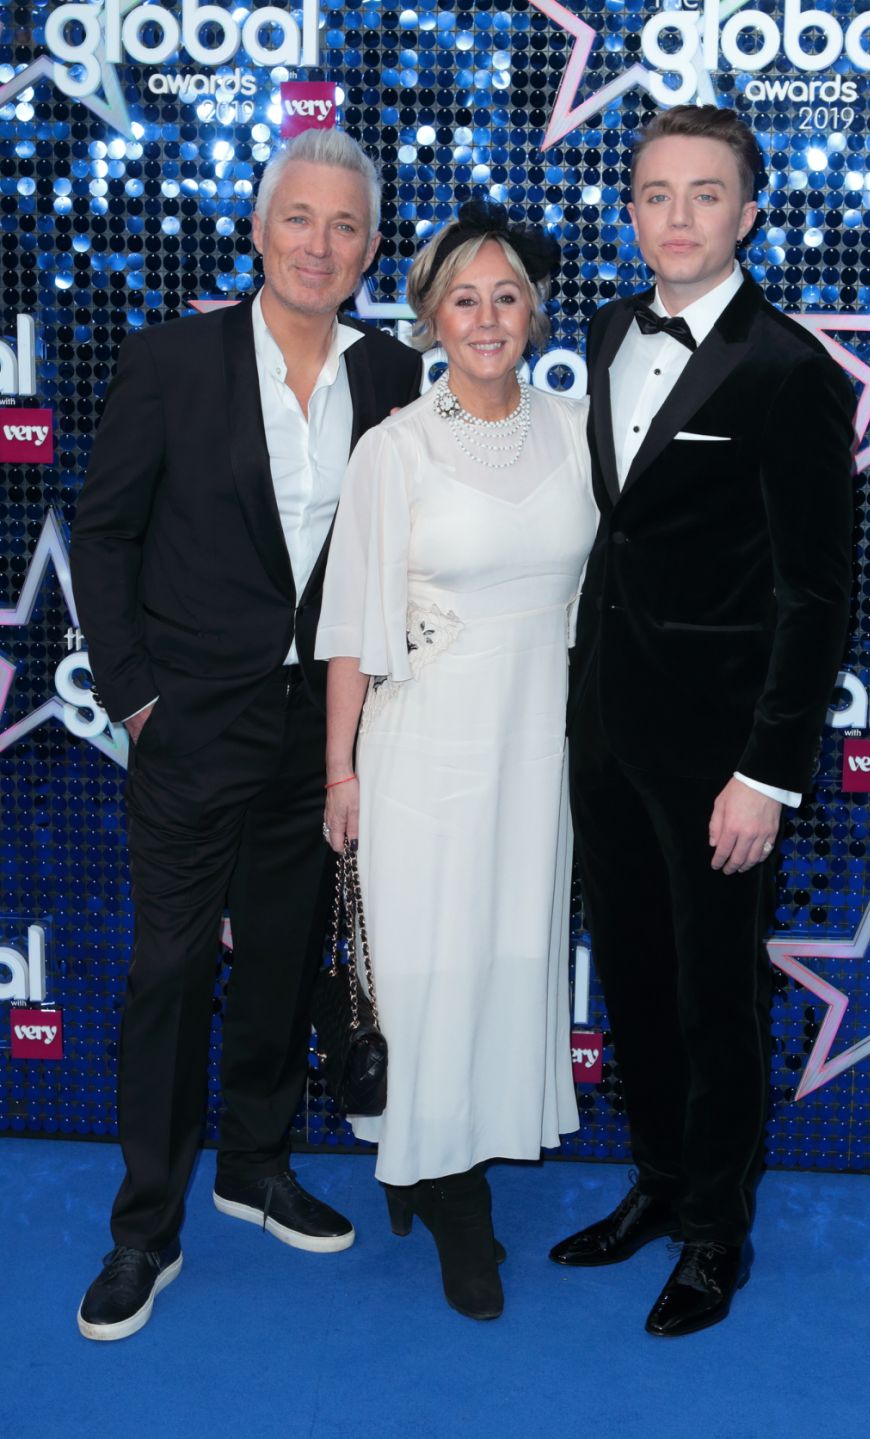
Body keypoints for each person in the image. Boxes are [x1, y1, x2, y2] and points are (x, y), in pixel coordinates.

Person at [70, 127, 423, 1341]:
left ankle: (255, 1161)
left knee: (282, 956)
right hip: (188, 723)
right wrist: (134, 696)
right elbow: (104, 533)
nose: (319, 244)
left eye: (344, 226)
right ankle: (143, 1228)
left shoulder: (392, 374)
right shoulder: (173, 359)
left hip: (316, 730)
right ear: (258, 231)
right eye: (298, 219)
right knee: (169, 970)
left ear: (370, 249)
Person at [549, 106, 854, 1336]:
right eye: (655, 194)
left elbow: (816, 593)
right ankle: (661, 1181)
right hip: (605, 733)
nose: (677, 217)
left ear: (749, 211)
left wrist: (767, 772)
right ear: (631, 210)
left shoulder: (789, 370)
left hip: (721, 755)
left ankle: (717, 1232)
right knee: (631, 973)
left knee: (718, 994)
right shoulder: (610, 326)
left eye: (704, 194)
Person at [317, 200, 597, 1320]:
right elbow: (351, 624)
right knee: (429, 967)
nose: (487, 318)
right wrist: (337, 772)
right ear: (432, 319)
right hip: (424, 752)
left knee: (503, 956)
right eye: (463, 299)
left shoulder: (581, 428)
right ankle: (449, 1195)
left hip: (539, 747)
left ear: (535, 312)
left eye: (507, 295)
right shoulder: (396, 447)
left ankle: (427, 1154)